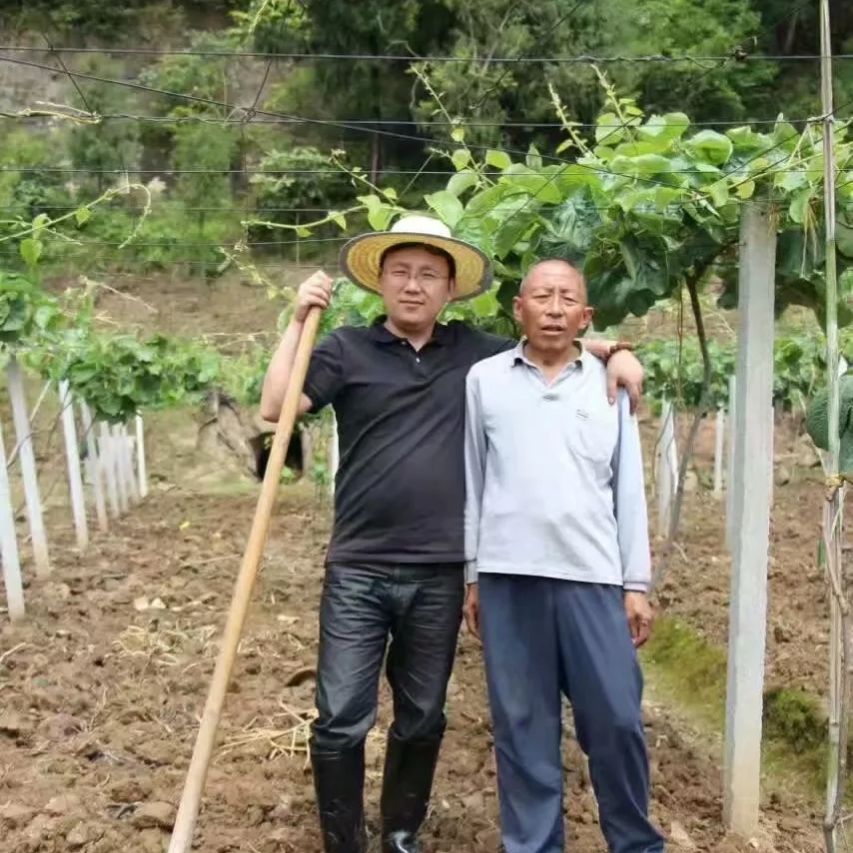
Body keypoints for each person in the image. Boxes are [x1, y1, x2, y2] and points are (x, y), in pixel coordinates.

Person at [259, 216, 645, 853]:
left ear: (449, 290)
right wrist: (299, 320)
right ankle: (344, 842)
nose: (414, 287)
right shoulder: (345, 349)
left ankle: (400, 837)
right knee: (341, 717)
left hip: (440, 571)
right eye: (402, 273)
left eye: (428, 276)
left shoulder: (478, 355)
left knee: (421, 716)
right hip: (358, 565)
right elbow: (276, 405)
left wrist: (616, 348)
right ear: (381, 282)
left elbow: (552, 341)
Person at [463, 258, 665, 853]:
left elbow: (628, 487)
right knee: (523, 728)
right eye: (541, 297)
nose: (554, 308)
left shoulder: (609, 383)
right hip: (508, 577)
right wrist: (473, 574)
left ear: (586, 315)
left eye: (566, 298)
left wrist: (635, 583)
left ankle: (634, 842)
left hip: (592, 578)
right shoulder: (485, 381)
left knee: (617, 720)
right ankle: (532, 845)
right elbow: (474, 479)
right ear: (518, 309)